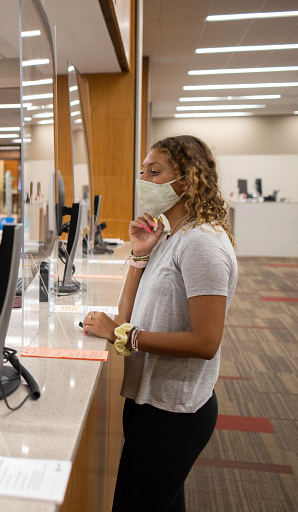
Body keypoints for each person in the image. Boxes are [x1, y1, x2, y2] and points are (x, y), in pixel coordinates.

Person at [81, 135, 237, 512]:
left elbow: (205, 343)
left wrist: (124, 335)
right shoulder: (170, 235)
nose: (145, 180)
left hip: (175, 410)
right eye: (143, 172)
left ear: (186, 179)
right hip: (148, 396)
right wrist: (138, 255)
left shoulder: (201, 243)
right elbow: (127, 315)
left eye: (155, 172)